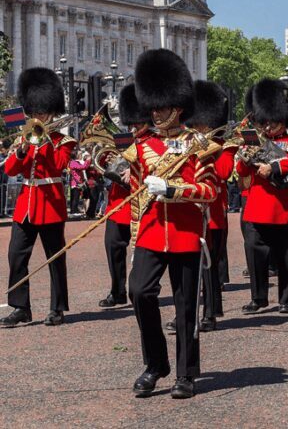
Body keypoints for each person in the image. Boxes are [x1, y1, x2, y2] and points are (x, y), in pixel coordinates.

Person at [127, 49, 216, 398]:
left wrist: (174, 189)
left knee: (185, 306)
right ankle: (155, 364)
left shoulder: (200, 147)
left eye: (161, 107)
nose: (155, 112)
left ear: (177, 107)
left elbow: (209, 191)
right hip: (151, 232)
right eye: (153, 107)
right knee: (140, 292)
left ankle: (185, 373)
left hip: (184, 234)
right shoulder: (142, 146)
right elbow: (135, 192)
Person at [1, 68, 77, 327]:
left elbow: (58, 166)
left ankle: (57, 307)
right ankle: (21, 307)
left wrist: (43, 142)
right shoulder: (25, 135)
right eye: (34, 112)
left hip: (50, 203)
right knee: (16, 255)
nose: (38, 116)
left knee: (55, 257)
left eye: (41, 111)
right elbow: (11, 169)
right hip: (26, 205)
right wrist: (22, 150)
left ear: (52, 110)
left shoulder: (64, 141)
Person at [236, 78, 288, 315]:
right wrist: (245, 160)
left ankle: (287, 299)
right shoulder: (256, 142)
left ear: (283, 119)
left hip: (283, 207)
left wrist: (274, 168)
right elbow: (241, 172)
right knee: (255, 254)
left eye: (273, 121)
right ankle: (258, 298)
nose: (268, 126)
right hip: (258, 207)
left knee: (286, 256)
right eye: (265, 121)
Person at [186, 80, 237, 332]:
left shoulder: (225, 147)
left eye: (202, 124)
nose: (198, 128)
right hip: (188, 213)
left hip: (213, 214)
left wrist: (206, 152)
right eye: (195, 124)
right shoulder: (186, 145)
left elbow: (224, 172)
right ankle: (190, 313)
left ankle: (209, 314)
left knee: (209, 267)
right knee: (188, 267)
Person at [98, 84, 152, 308]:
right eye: (132, 122)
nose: (134, 126)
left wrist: (136, 170)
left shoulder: (153, 141)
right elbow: (106, 164)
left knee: (142, 252)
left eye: (138, 122)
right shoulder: (123, 137)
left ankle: (141, 289)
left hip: (141, 203)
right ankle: (117, 290)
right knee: (113, 247)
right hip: (118, 203)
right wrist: (104, 162)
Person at [68, 150, 90, 217]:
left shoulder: (75, 162)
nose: (81, 155)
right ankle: (73, 211)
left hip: (77, 182)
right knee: (75, 198)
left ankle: (73, 211)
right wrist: (87, 160)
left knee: (76, 197)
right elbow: (83, 167)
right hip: (75, 183)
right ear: (76, 155)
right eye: (80, 154)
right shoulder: (73, 162)